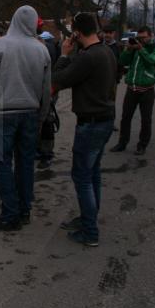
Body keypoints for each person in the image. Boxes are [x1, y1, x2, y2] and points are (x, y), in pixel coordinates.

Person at [0, 5, 51, 231]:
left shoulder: (1, 44)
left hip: (4, 113)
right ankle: (24, 209)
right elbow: (46, 90)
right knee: (26, 162)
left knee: (3, 163)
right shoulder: (42, 50)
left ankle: (9, 214)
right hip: (30, 114)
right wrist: (41, 117)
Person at [52, 12, 117, 247]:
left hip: (91, 123)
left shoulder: (88, 57)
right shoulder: (106, 51)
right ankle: (88, 218)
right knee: (93, 173)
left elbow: (58, 78)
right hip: (105, 119)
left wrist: (64, 55)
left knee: (82, 177)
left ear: (77, 33)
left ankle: (90, 231)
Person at [110, 26, 155, 156]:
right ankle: (122, 143)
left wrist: (141, 49)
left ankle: (142, 145)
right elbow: (122, 61)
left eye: (144, 37)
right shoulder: (134, 49)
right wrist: (128, 49)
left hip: (147, 91)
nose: (141, 40)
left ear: (150, 36)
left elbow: (152, 61)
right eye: (139, 38)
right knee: (125, 118)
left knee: (146, 120)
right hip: (131, 89)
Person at [36, 31, 60, 168]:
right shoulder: (42, 47)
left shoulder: (46, 50)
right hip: (37, 94)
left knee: (46, 123)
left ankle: (46, 154)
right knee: (41, 123)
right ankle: (41, 151)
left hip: (47, 92)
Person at [102, 25, 125, 131]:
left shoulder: (118, 47)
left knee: (111, 102)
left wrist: (117, 78)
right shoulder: (98, 45)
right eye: (105, 32)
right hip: (98, 80)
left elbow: (121, 64)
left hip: (112, 80)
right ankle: (100, 122)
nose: (107, 35)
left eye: (110, 33)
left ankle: (110, 123)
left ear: (113, 34)